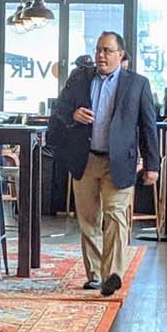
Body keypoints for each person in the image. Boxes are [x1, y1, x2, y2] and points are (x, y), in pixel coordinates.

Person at [51, 31, 160, 297]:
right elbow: (59, 110)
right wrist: (73, 114)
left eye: (107, 51)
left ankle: (113, 274)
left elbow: (148, 126)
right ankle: (95, 275)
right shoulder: (79, 78)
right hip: (85, 158)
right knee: (88, 220)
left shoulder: (137, 85)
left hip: (118, 161)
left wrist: (152, 165)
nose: (101, 55)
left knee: (115, 215)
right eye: (99, 49)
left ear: (120, 55)